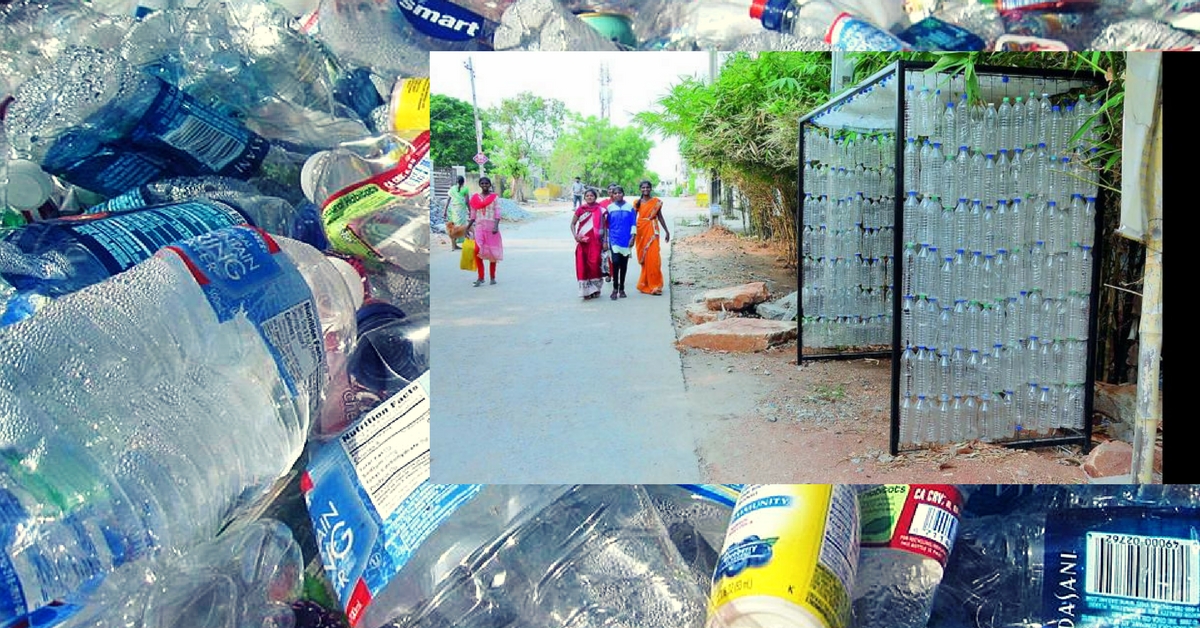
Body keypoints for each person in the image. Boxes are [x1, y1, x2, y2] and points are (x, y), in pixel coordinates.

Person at [634, 180, 670, 296]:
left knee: (654, 258)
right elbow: (632, 220)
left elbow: (660, 216)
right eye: (643, 187)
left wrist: (667, 231)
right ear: (640, 189)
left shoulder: (656, 202)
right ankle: (644, 283)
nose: (645, 189)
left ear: (651, 188)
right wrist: (631, 234)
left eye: (647, 187)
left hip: (653, 231)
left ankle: (655, 286)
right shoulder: (637, 202)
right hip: (641, 231)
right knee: (644, 259)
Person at [570, 189, 606, 300]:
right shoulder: (581, 209)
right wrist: (575, 236)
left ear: (595, 197)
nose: (589, 197)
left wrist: (605, 241)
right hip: (583, 242)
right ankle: (586, 291)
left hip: (595, 242)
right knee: (582, 265)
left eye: (592, 195)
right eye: (587, 196)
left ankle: (595, 288)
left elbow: (604, 227)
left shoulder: (601, 210)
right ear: (584, 197)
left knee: (594, 264)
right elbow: (572, 224)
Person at [467, 177, 503, 286]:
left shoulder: (494, 198)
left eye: (486, 183)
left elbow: (497, 212)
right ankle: (481, 277)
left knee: (492, 253)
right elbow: (473, 214)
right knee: (477, 251)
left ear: (490, 184)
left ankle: (492, 277)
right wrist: (467, 227)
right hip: (479, 227)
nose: (484, 185)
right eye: (482, 183)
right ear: (479, 185)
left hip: (491, 228)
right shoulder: (475, 198)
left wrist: (496, 227)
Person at [604, 185, 636, 300]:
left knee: (624, 264)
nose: (617, 195)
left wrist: (633, 237)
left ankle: (622, 288)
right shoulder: (610, 208)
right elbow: (606, 226)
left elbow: (633, 223)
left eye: (620, 193)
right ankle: (614, 288)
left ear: (623, 194)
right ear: (612, 195)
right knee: (615, 262)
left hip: (626, 240)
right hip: (614, 239)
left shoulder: (629, 207)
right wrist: (606, 240)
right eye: (615, 193)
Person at [442, 175, 470, 250]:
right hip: (461, 210)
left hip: (453, 210)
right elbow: (467, 202)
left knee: (453, 229)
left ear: (456, 181)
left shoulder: (452, 189)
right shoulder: (465, 189)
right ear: (463, 182)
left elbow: (448, 200)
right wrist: (470, 211)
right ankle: (463, 244)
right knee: (462, 227)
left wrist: (445, 211)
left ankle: (454, 245)